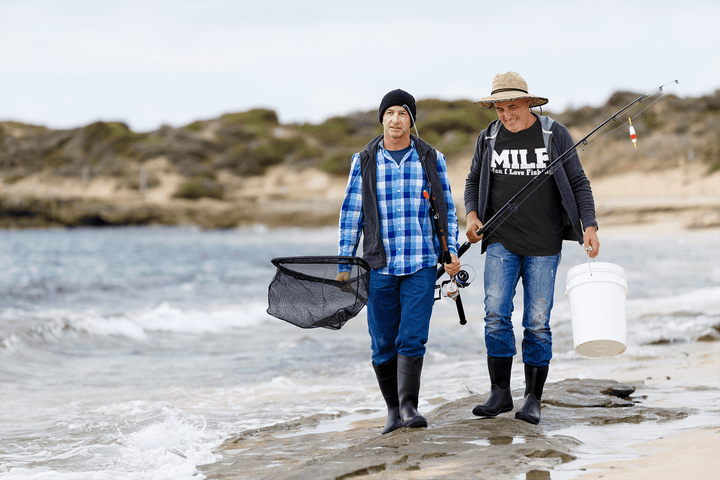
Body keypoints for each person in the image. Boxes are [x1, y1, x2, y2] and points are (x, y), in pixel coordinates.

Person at [464, 72, 600, 425]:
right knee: (495, 314)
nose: (506, 115)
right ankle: (499, 393)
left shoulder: (554, 134)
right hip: (500, 240)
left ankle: (533, 398)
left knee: (537, 322)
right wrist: (472, 215)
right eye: (500, 108)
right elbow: (473, 180)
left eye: (513, 106)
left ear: (528, 102)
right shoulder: (488, 137)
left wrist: (589, 225)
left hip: (544, 243)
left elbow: (578, 182)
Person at [336, 88, 461, 434]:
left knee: (413, 338)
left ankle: (409, 406)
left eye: (403, 113)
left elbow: (448, 211)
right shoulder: (364, 160)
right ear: (382, 119)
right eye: (390, 113)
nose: (396, 119)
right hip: (379, 266)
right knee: (382, 342)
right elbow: (351, 215)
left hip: (422, 263)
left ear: (411, 120)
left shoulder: (431, 157)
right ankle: (392, 411)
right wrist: (345, 263)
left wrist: (449, 249)